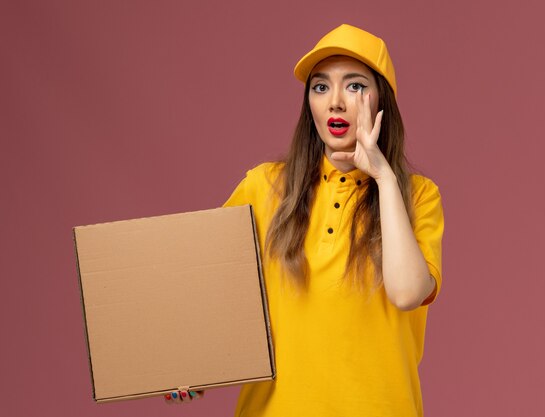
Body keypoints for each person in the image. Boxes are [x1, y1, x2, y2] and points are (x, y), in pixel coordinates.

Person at [165, 23, 444, 417]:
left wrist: (383, 177)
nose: (335, 102)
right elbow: (208, 289)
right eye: (320, 87)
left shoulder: (416, 196)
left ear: (382, 102)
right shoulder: (264, 187)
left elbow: (406, 293)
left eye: (355, 86)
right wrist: (184, 367)